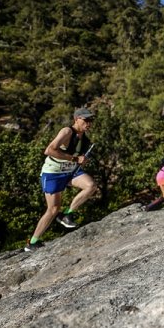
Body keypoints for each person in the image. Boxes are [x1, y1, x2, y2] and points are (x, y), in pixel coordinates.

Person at [24, 107, 98, 252]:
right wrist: (75, 159)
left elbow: (76, 155)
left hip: (70, 171)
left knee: (91, 186)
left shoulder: (84, 138)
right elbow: (49, 150)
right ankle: (32, 243)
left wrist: (82, 159)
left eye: (91, 120)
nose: (89, 123)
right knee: (53, 209)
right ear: (76, 119)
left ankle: (67, 215)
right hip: (53, 172)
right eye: (86, 119)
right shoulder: (67, 132)